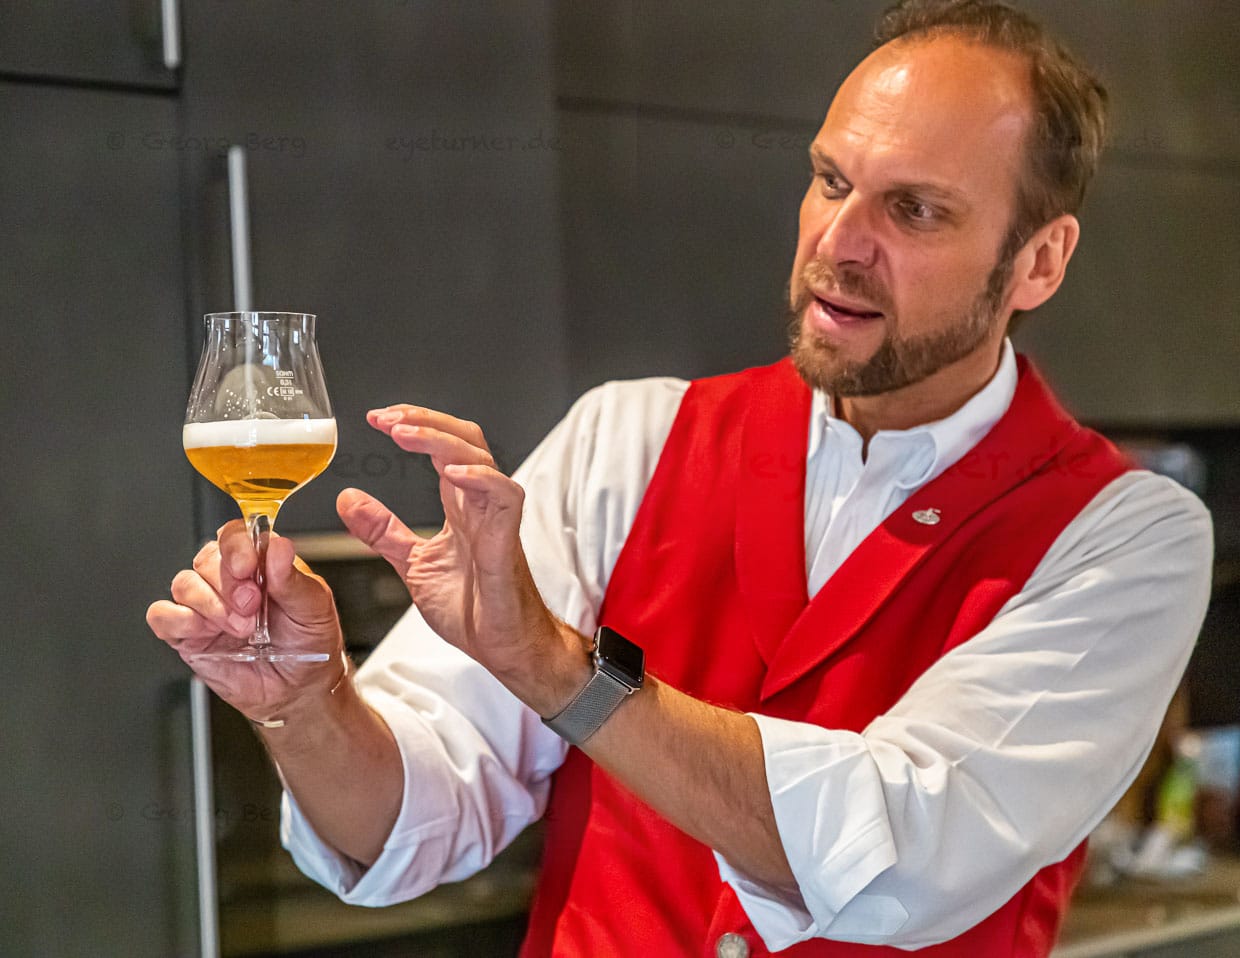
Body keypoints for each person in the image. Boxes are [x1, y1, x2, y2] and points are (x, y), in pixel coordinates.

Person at [148, 1, 1214, 954]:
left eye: (915, 210)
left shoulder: (1122, 537)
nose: (837, 243)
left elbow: (902, 850)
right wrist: (308, 706)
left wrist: (564, 673)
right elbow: (415, 815)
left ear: (1039, 261)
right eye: (831, 180)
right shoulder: (630, 438)